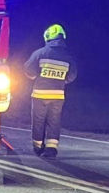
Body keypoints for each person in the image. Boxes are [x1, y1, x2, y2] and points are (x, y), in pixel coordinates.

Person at [24, 23, 77, 158]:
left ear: (48, 37)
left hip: (39, 94)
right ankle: (51, 149)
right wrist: (61, 81)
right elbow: (72, 76)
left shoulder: (40, 53)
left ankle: (38, 146)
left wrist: (37, 77)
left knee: (38, 121)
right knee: (54, 121)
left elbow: (28, 70)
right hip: (58, 95)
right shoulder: (68, 57)